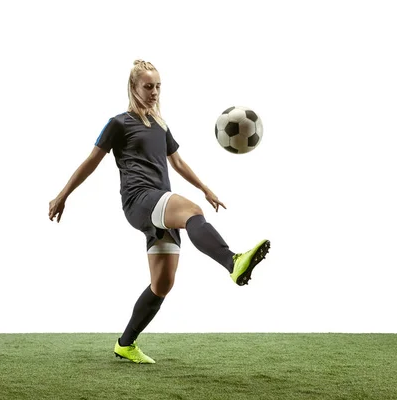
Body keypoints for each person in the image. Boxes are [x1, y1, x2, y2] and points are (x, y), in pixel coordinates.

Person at [48, 60, 270, 364]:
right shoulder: (118, 123)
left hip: (159, 203)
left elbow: (177, 163)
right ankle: (233, 261)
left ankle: (125, 344)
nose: (154, 92)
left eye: (158, 86)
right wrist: (63, 195)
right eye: (148, 86)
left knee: (162, 284)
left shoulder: (161, 125)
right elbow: (91, 161)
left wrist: (205, 188)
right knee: (192, 211)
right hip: (139, 199)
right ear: (134, 87)